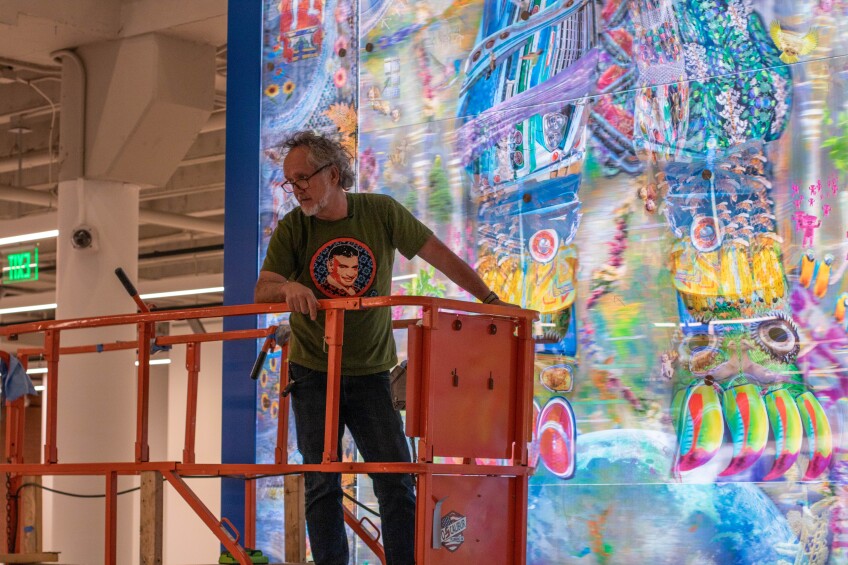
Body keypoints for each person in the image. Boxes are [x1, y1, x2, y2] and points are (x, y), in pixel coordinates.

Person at [255, 130, 516, 565]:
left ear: (333, 174)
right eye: (289, 182)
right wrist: (288, 287)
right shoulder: (293, 227)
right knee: (321, 481)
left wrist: (489, 300)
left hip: (370, 371)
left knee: (395, 478)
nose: (295, 189)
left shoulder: (379, 212)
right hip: (313, 371)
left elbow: (440, 254)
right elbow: (262, 286)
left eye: (302, 178)